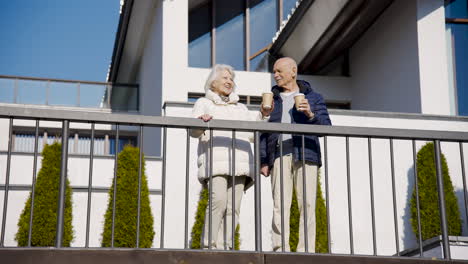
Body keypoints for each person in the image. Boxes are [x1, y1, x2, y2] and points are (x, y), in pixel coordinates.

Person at [192, 64, 272, 249]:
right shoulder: (204, 103)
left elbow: (253, 134)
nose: (229, 81)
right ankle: (210, 244)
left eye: (231, 78)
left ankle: (226, 245)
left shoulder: (241, 108)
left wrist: (263, 115)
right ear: (213, 82)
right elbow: (194, 131)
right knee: (218, 200)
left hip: (240, 162)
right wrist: (200, 122)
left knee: (233, 207)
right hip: (216, 162)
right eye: (225, 78)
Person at [260, 57, 331, 252]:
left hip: (306, 153)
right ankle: (279, 248)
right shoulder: (272, 99)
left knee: (307, 203)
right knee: (279, 204)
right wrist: (264, 160)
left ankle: (305, 249)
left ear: (293, 71)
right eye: (274, 72)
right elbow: (263, 133)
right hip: (279, 154)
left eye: (279, 71)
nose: (275, 75)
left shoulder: (314, 97)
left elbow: (326, 128)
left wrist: (310, 115)